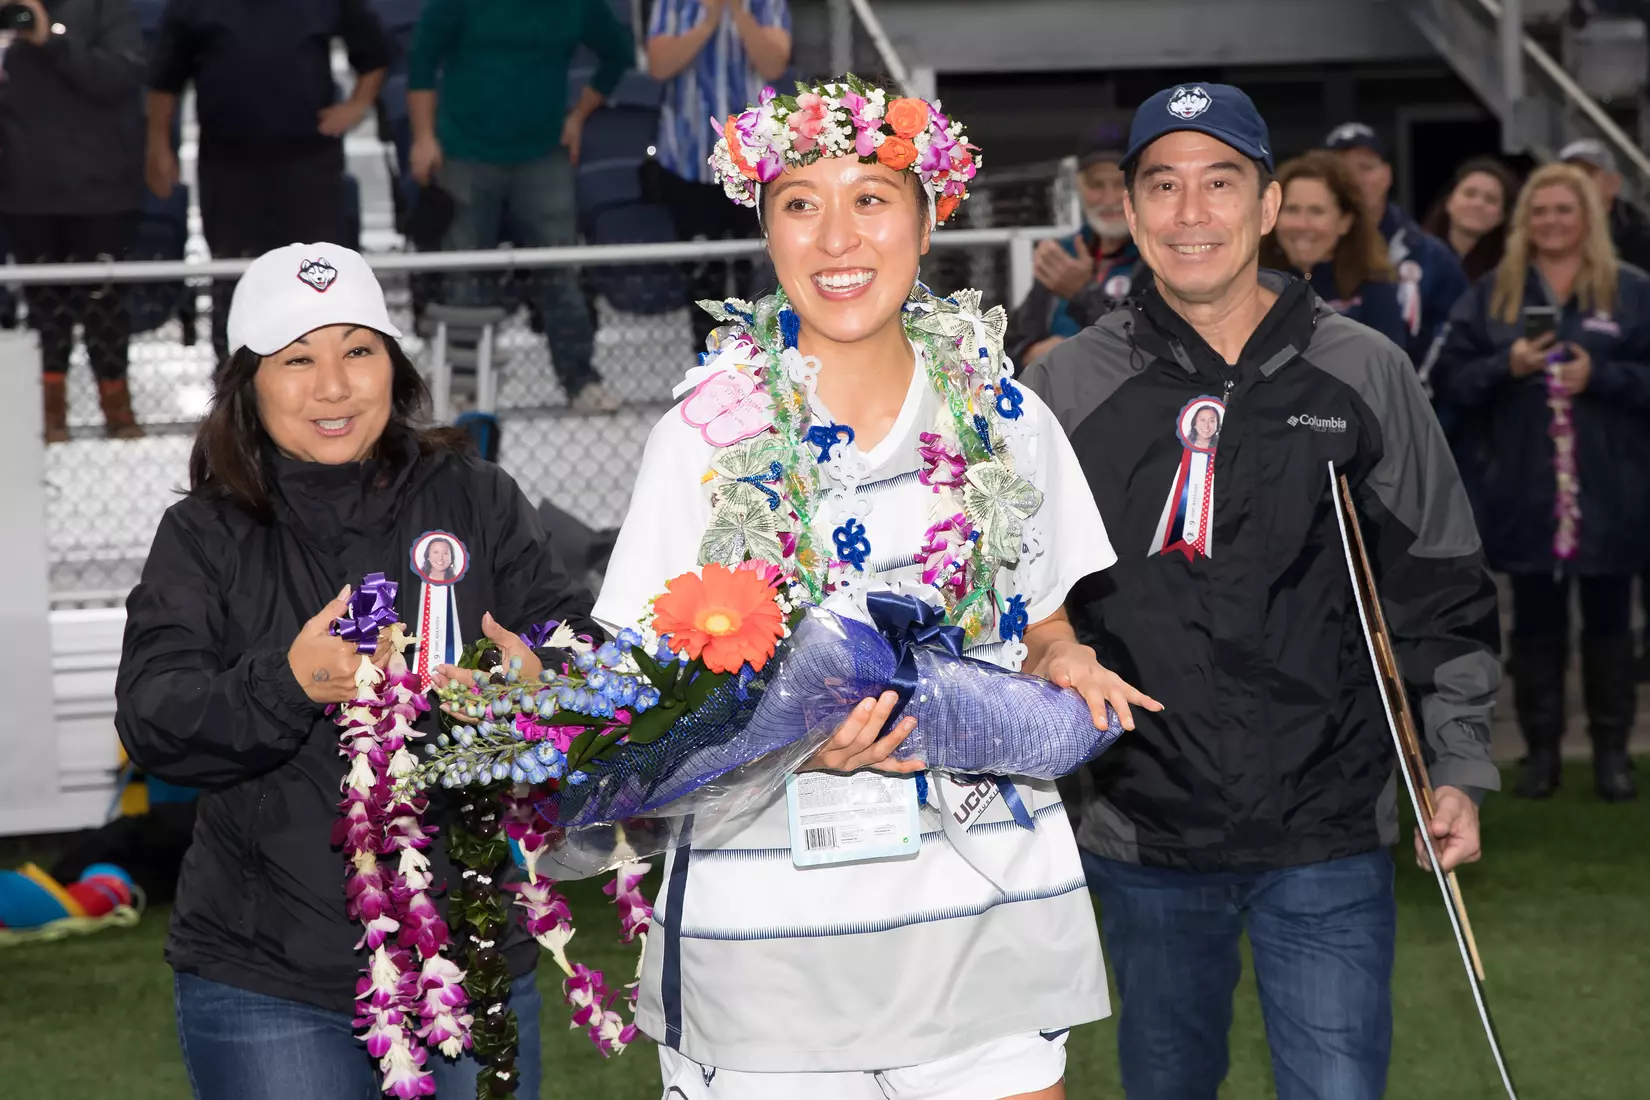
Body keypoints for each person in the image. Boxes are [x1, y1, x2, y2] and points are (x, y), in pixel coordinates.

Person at [594, 76, 1158, 1099]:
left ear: (929, 216)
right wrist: (786, 727)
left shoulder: (1009, 418)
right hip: (768, 941)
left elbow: (1043, 624)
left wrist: (1066, 656)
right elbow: (651, 709)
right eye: (800, 203)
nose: (836, 237)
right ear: (765, 231)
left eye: (872, 197)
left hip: (983, 906)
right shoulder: (701, 437)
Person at [1022, 83, 1501, 1100]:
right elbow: (1023, 597)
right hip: (1143, 826)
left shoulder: (1364, 370)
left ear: (1270, 204)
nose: (1191, 214)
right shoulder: (1070, 386)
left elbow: (1440, 583)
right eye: (1163, 185)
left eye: (1220, 183)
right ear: (1132, 208)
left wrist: (1455, 758)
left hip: (1325, 827)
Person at [114, 242, 598, 1098]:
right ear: (246, 384)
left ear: (394, 365)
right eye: (297, 358)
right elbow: (157, 720)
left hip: (470, 957)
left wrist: (541, 686)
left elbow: (584, 661)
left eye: (358, 351)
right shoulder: (203, 535)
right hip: (266, 982)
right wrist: (284, 683)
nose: (333, 386)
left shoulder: (478, 497)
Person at [1431, 163, 1648, 804]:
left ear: (1589, 216)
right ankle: (1541, 754)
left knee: (1611, 621)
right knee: (1532, 624)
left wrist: (1601, 377)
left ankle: (1613, 755)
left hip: (1611, 488)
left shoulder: (1631, 290)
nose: (1552, 222)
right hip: (1523, 487)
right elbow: (1450, 380)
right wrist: (1509, 364)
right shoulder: (1495, 291)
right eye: (1541, 211)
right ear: (1525, 220)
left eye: (1565, 209)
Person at [408, 0, 633, 414]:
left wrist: (578, 116)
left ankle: (580, 380)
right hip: (464, 153)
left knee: (562, 273)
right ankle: (462, 385)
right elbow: (421, 60)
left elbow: (618, 53)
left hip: (544, 154)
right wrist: (424, 137)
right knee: (464, 273)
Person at [145, 0, 392, 365]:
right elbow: (165, 79)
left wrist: (357, 105)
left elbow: (375, 53)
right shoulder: (194, 6)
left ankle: (320, 377)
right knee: (234, 281)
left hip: (309, 167)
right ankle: (233, 388)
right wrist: (158, 145)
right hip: (228, 168)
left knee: (319, 280)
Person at [0, 0, 146, 441]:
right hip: (24, 192)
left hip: (100, 192)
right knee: (44, 311)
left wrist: (50, 40)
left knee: (105, 306)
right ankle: (48, 413)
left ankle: (118, 410)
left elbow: (118, 78)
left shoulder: (105, 9)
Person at [645, 0, 792, 349]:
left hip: (753, 161)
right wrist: (708, 21)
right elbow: (659, 65)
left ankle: (761, 365)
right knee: (701, 282)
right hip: (688, 159)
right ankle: (706, 373)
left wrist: (739, 14)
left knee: (756, 274)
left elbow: (773, 63)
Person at [1324, 121, 1469, 366]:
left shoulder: (1431, 256)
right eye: (1340, 170)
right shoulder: (1305, 255)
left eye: (1365, 168)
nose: (1353, 180)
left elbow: (1459, 341)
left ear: (1387, 176)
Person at [1006, 123, 1148, 368]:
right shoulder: (1064, 253)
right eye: (1096, 185)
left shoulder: (1158, 255)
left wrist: (1083, 294)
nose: (1109, 199)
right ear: (1079, 186)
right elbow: (1009, 344)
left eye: (1120, 184)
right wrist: (1028, 356)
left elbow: (1148, 347)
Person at [1261, 151, 1406, 347]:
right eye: (1292, 210)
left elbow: (1386, 372)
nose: (1303, 225)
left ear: (1345, 222)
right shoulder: (1249, 285)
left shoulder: (1374, 290)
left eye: (1317, 211)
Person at [1560, 138, 1650, 271]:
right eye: (1567, 175)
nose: (1576, 183)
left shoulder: (1639, 235)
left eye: (1587, 174)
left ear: (1613, 182)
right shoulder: (1548, 227)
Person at [1422, 157, 1519, 281]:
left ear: (1502, 216)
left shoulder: (1511, 267)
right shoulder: (1416, 253)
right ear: (1449, 201)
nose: (1478, 204)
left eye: (1491, 199)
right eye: (1469, 193)